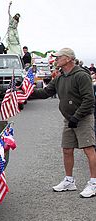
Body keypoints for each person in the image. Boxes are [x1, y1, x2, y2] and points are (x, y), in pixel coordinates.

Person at [30, 48, 96, 198]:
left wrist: (77, 117)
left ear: (68, 59)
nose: (56, 60)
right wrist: (27, 91)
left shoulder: (81, 76)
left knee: (89, 149)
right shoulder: (60, 77)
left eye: (58, 57)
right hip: (69, 118)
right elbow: (46, 92)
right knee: (67, 149)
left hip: (83, 118)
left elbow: (89, 99)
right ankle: (69, 181)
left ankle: (93, 183)